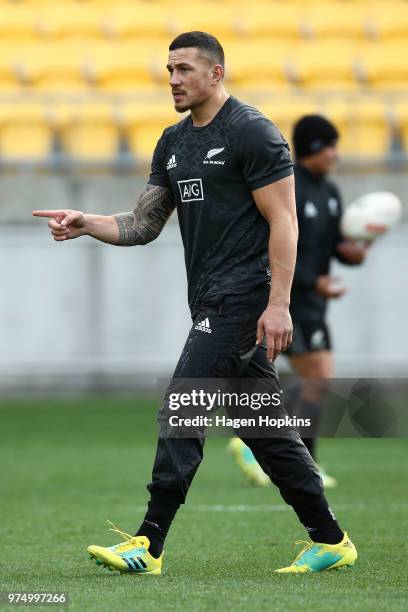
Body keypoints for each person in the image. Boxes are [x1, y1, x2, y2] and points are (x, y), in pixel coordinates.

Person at [33, 32, 357, 575]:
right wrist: (88, 223)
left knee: (183, 403)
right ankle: (331, 539)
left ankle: (149, 543)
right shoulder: (173, 142)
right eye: (169, 70)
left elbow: (285, 221)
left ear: (216, 74)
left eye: (184, 69)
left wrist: (279, 305)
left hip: (242, 301)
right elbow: (143, 224)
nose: (174, 79)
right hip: (208, 300)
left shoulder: (253, 133)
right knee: (266, 429)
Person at [230, 115, 368, 489]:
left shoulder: (330, 192)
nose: (336, 155)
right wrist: (312, 282)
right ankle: (278, 449)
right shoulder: (292, 188)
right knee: (317, 377)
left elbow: (331, 245)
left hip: (313, 303)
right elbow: (280, 242)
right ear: (313, 148)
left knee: (315, 379)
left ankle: (263, 442)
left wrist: (353, 253)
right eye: (331, 147)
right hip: (289, 299)